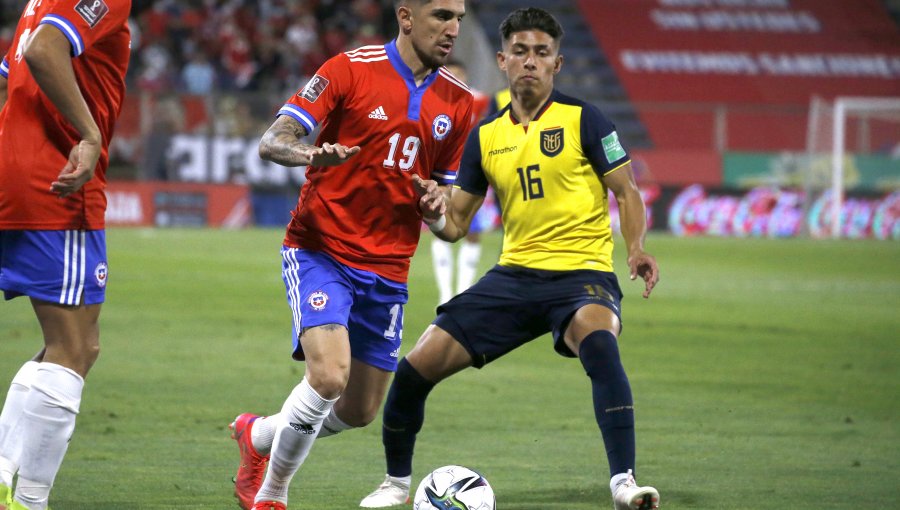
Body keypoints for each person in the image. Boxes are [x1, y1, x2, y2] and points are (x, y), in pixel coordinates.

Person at [359, 7, 660, 510]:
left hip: (581, 273)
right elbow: (455, 225)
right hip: (515, 276)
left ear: (557, 64)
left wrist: (635, 248)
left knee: (600, 345)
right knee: (415, 368)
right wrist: (433, 212)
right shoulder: (485, 134)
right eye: (520, 51)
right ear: (501, 60)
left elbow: (626, 192)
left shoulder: (586, 120)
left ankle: (624, 483)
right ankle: (395, 484)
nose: (530, 62)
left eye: (542, 53)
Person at [228, 1, 473, 509]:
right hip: (321, 248)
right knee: (328, 376)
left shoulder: (459, 103)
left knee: (359, 408)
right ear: (406, 17)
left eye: (459, 19)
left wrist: (433, 208)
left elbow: (448, 222)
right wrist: (308, 153)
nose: (452, 29)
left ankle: (259, 437)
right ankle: (270, 493)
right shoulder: (349, 69)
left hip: (387, 268)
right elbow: (273, 142)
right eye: (441, 15)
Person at [0, 1, 132, 509]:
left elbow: (11, 71)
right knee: (72, 350)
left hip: (23, 172)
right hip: (58, 180)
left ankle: (7, 473)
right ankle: (29, 500)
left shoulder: (41, 1)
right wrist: (90, 131)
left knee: (76, 346)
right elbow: (42, 50)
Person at [429, 60, 498, 305]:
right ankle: (445, 292)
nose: (457, 79)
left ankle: (462, 291)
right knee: (441, 229)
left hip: (471, 175)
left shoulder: (480, 101)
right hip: (441, 174)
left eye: (460, 75)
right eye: (452, 75)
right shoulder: (433, 98)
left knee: (472, 231)